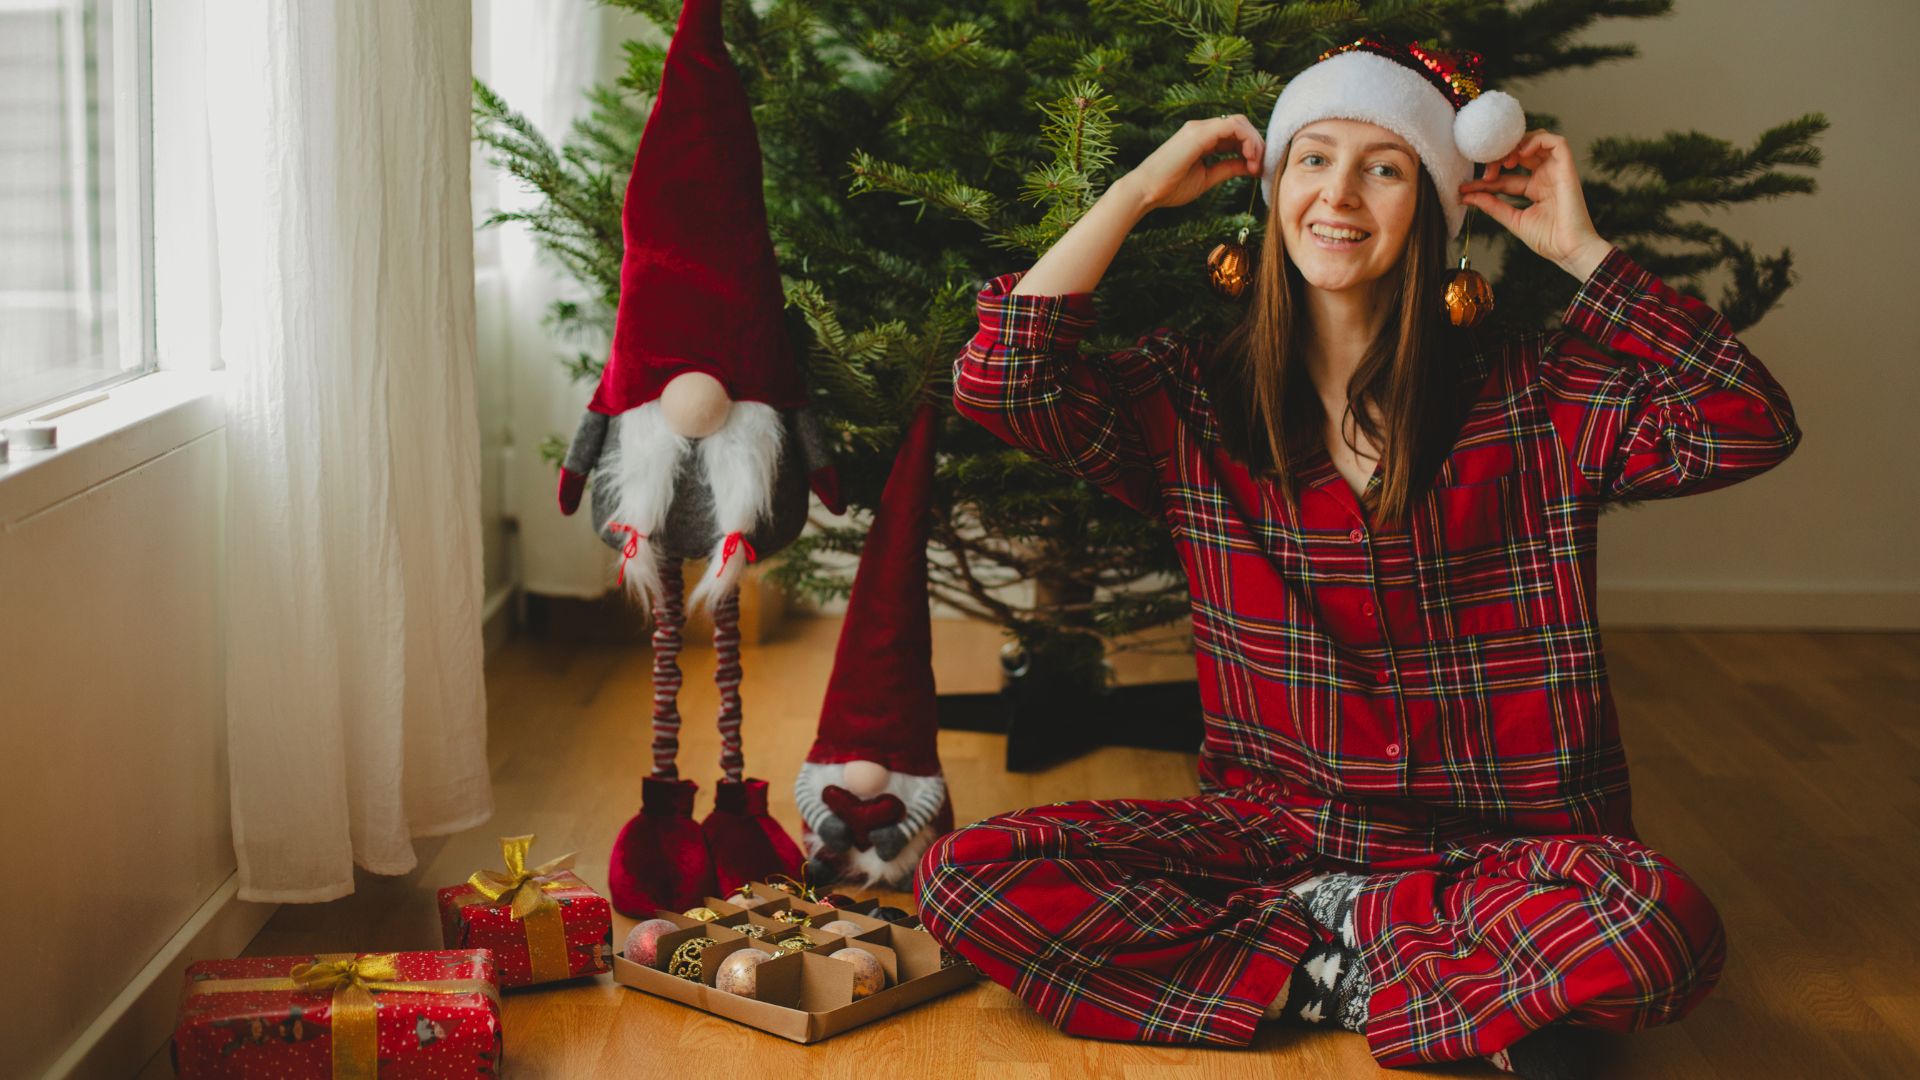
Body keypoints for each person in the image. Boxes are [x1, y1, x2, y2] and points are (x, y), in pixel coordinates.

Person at [914, 37, 1802, 1080]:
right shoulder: (1188, 395)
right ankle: (1402, 980)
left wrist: (1580, 251)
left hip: (1500, 856)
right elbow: (1005, 379)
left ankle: (1333, 960)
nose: (1339, 194)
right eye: (1312, 158)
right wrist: (1139, 189)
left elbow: (1747, 422)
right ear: (1275, 188)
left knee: (1658, 926)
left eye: (1383, 168)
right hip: (1276, 843)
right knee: (968, 876)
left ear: (1432, 209)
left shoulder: (1539, 394)